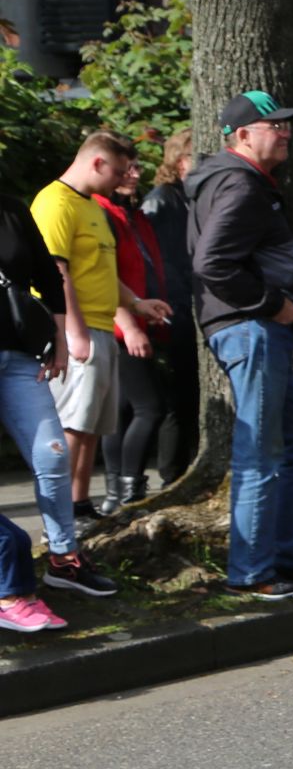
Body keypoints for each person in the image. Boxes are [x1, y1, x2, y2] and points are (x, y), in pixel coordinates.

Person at [189, 92, 293, 600]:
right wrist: (273, 304)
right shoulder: (240, 185)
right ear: (244, 135)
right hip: (253, 328)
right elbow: (211, 263)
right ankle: (251, 573)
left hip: (254, 329)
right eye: (275, 126)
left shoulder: (237, 181)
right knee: (261, 452)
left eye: (286, 125)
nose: (286, 133)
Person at [34, 133, 167, 523]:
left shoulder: (91, 205)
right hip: (78, 331)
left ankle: (79, 505)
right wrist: (73, 334)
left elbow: (102, 270)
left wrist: (136, 303)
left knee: (91, 424)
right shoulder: (55, 203)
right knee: (72, 425)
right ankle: (58, 517)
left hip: (102, 327)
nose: (123, 179)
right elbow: (56, 271)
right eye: (119, 171)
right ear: (96, 162)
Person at [2, 183, 112, 606]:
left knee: (52, 453)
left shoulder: (12, 209)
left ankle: (65, 558)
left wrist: (61, 339)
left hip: (20, 357)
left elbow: (49, 275)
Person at [98, 151, 176, 511]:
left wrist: (148, 306)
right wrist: (129, 324)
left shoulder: (133, 213)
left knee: (125, 409)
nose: (132, 174)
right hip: (118, 325)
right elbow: (105, 275)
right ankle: (128, 490)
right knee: (150, 407)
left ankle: (118, 492)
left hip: (137, 316)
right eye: (125, 168)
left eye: (135, 167)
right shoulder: (104, 212)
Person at [141, 128, 201, 482]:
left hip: (187, 302)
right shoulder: (163, 200)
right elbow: (159, 258)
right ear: (181, 162)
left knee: (190, 394)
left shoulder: (187, 197)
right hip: (175, 308)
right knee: (178, 398)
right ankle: (171, 474)